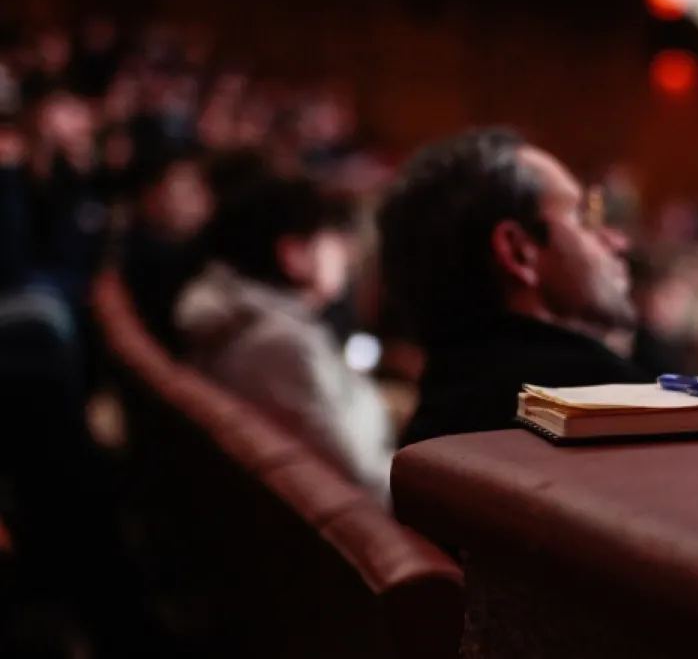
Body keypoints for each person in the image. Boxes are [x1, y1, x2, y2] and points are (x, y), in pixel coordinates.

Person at [378, 127, 647, 446]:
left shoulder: (436, 423)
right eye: (581, 217)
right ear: (519, 252)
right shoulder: (610, 408)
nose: (617, 241)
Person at [175, 176, 394, 506]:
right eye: (332, 237)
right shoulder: (279, 347)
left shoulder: (246, 319)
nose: (347, 254)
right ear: (293, 254)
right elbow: (359, 479)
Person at [121, 152, 212, 353]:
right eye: (190, 191)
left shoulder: (202, 252)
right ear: (151, 198)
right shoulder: (145, 257)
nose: (205, 200)